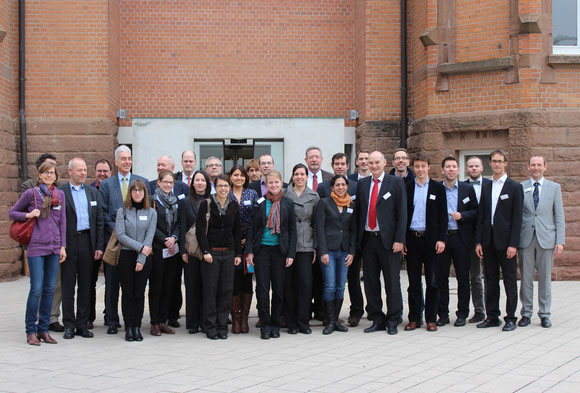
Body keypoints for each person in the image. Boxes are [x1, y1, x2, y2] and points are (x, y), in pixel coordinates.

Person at [10, 161, 67, 345]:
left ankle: (44, 329)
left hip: (53, 247)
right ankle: (30, 330)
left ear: (56, 176)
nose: (49, 176)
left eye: (52, 173)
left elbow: (62, 223)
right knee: (36, 289)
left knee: (49, 289)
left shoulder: (60, 195)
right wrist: (28, 215)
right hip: (36, 248)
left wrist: (62, 246)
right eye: (46, 173)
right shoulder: (31, 194)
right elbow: (13, 213)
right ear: (40, 175)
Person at [354, 151, 406, 336]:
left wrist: (400, 239)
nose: (374, 166)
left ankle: (393, 319)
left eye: (377, 162)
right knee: (370, 282)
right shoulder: (362, 184)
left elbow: (402, 213)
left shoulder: (395, 183)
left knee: (392, 281)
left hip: (389, 241)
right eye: (371, 162)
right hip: (368, 240)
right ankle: (376, 318)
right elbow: (359, 213)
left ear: (384, 163)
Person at [99, 145, 148, 335]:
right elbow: (102, 213)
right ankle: (112, 320)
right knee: (112, 284)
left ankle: (134, 322)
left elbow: (146, 210)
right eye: (123, 159)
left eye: (129, 158)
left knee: (134, 287)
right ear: (116, 162)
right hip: (115, 243)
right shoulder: (106, 185)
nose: (127, 162)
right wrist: (121, 231)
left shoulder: (141, 182)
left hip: (136, 246)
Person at [475, 150, 523, 331]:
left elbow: (518, 218)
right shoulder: (486, 186)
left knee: (510, 280)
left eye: (499, 161)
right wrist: (479, 241)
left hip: (506, 243)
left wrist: (513, 244)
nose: (496, 164)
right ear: (490, 163)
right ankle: (492, 316)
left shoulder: (514, 187)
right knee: (490, 279)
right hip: (488, 241)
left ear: (505, 163)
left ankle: (510, 317)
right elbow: (481, 216)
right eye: (493, 161)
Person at [246, 170, 297, 339]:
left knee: (279, 290)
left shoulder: (288, 203)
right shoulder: (259, 202)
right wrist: (250, 252)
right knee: (262, 289)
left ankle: (276, 323)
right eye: (270, 183)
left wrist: (291, 253)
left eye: (276, 182)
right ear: (266, 184)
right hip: (262, 251)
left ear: (281, 183)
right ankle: (265, 324)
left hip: (280, 252)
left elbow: (292, 230)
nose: (273, 185)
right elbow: (251, 228)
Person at [59, 158, 104, 339]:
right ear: (70, 171)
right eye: (79, 170)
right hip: (69, 243)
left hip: (87, 242)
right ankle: (69, 325)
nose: (83, 173)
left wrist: (99, 245)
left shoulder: (93, 192)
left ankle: (82, 324)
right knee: (68, 285)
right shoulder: (61, 192)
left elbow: (99, 220)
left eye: (85, 170)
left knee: (86, 285)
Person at [518, 155, 565, 329]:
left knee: (545, 279)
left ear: (545, 167)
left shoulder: (554, 188)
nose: (536, 167)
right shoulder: (521, 187)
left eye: (539, 165)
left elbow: (559, 215)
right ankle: (526, 313)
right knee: (526, 278)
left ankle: (545, 314)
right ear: (528, 167)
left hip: (547, 238)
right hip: (526, 239)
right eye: (533, 165)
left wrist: (560, 240)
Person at [404, 153, 447, 332]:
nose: (420, 169)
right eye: (417, 166)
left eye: (423, 166)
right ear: (413, 167)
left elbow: (443, 217)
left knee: (433, 282)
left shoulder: (438, 188)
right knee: (413, 282)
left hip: (431, 241)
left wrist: (442, 239)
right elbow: (402, 216)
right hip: (412, 239)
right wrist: (402, 240)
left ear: (429, 167)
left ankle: (431, 318)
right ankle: (414, 318)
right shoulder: (406, 187)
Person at [196, 175, 242, 340]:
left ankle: (222, 326)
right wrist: (205, 251)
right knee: (210, 290)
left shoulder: (233, 205)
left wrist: (237, 254)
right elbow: (200, 230)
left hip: (229, 253)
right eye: (220, 185)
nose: (224, 188)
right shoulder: (206, 204)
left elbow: (237, 231)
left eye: (226, 186)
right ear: (214, 187)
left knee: (226, 291)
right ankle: (210, 326)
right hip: (212, 254)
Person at [437, 156, 478, 327]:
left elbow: (476, 211)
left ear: (459, 170)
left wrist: (463, 215)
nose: (451, 169)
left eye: (454, 166)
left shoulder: (467, 189)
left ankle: (462, 313)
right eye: (448, 167)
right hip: (443, 238)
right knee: (441, 279)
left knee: (463, 278)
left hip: (461, 238)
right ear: (443, 170)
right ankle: (443, 314)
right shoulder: (436, 188)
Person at [115, 179, 157, 342]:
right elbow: (121, 235)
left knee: (139, 293)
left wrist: (141, 257)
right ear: (130, 193)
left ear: (145, 193)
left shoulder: (151, 212)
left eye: (141, 190)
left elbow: (150, 236)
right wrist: (140, 248)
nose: (138, 193)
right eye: (134, 190)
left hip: (144, 258)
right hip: (126, 256)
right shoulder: (123, 211)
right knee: (127, 293)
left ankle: (137, 326)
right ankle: (129, 327)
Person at [316, 175, 356, 335]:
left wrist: (352, 252)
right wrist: (323, 251)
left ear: (347, 187)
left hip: (345, 250)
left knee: (340, 286)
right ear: (332, 187)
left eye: (343, 185)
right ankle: (330, 321)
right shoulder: (324, 203)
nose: (340, 187)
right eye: (337, 185)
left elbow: (353, 230)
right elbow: (319, 228)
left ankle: (336, 320)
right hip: (329, 252)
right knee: (330, 285)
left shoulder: (351, 205)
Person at [284, 163, 319, 334]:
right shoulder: (285, 194)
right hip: (289, 245)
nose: (299, 177)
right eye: (296, 174)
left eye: (302, 174)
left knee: (305, 284)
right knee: (289, 285)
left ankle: (303, 321)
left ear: (307, 176)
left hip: (306, 245)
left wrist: (316, 247)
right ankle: (290, 322)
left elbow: (317, 223)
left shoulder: (314, 196)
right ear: (292, 176)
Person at [148, 170, 184, 336]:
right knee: (156, 287)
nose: (168, 185)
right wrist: (165, 239)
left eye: (171, 183)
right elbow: (151, 226)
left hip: (172, 250)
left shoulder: (176, 201)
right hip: (157, 249)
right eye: (165, 182)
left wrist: (174, 237)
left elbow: (179, 223)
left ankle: (163, 321)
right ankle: (154, 322)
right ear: (159, 182)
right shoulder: (152, 201)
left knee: (168, 286)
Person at [179, 170, 212, 334]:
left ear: (207, 183)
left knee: (207, 286)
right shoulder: (185, 202)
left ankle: (206, 321)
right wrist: (182, 250)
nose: (200, 183)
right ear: (192, 184)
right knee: (192, 286)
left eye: (203, 180)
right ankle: (192, 323)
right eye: (197, 180)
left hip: (208, 249)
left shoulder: (212, 201)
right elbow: (182, 225)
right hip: (191, 249)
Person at [228, 166, 258, 334]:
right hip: (230, 243)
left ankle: (245, 318)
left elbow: (256, 219)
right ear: (230, 177)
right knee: (233, 280)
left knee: (246, 279)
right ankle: (235, 318)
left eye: (241, 175)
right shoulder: (226, 193)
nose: (238, 178)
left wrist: (249, 239)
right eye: (235, 175)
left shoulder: (252, 194)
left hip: (248, 243)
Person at [464, 156, 489, 323]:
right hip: (469, 237)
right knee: (474, 275)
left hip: (489, 236)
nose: (473, 168)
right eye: (470, 166)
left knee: (490, 275)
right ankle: (478, 310)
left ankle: (492, 311)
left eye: (476, 166)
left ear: (482, 168)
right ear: (466, 169)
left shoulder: (491, 185)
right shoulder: (462, 187)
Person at [88, 158, 111, 330]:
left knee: (111, 281)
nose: (102, 174)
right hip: (94, 243)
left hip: (111, 241)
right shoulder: (88, 190)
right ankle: (88, 317)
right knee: (90, 281)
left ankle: (109, 315)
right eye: (99, 170)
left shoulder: (112, 187)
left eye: (105, 171)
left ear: (110, 173)